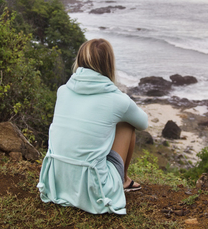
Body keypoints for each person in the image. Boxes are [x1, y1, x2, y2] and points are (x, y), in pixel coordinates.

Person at [37, 38, 148, 215]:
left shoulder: (63, 90)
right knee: (127, 124)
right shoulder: (117, 99)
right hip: (93, 188)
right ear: (108, 64)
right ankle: (124, 180)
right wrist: (118, 96)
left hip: (56, 180)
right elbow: (143, 123)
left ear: (79, 61)